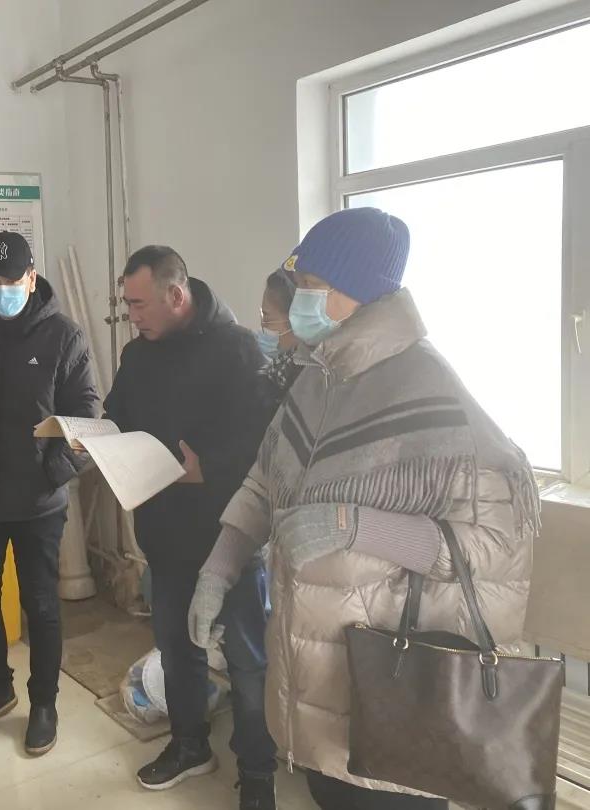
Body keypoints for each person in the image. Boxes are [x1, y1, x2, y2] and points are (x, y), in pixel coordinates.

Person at [188, 208, 540, 810]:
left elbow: (495, 547)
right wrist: (217, 570)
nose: (297, 301)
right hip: (317, 675)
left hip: (396, 688)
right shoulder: (321, 376)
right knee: (329, 792)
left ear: (356, 291)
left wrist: (356, 525)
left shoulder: (431, 392)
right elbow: (265, 481)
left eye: (309, 286)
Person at [103, 245, 278, 809]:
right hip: (163, 532)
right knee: (177, 649)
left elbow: (267, 446)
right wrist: (96, 439)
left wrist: (211, 470)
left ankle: (257, 772)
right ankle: (189, 745)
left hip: (229, 535)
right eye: (128, 304)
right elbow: (118, 414)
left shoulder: (238, 350)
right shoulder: (138, 355)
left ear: (176, 295)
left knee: (248, 662)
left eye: (139, 304)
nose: (131, 315)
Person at [0, 231, 99, 756]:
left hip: (37, 505)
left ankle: (44, 702)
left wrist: (52, 473)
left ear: (32, 278)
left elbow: (86, 417)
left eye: (10, 279)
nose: (1, 289)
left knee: (42, 606)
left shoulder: (64, 337)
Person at [256, 267, 301, 405]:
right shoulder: (277, 371)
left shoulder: (299, 380)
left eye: (267, 316)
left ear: (294, 319)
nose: (263, 324)